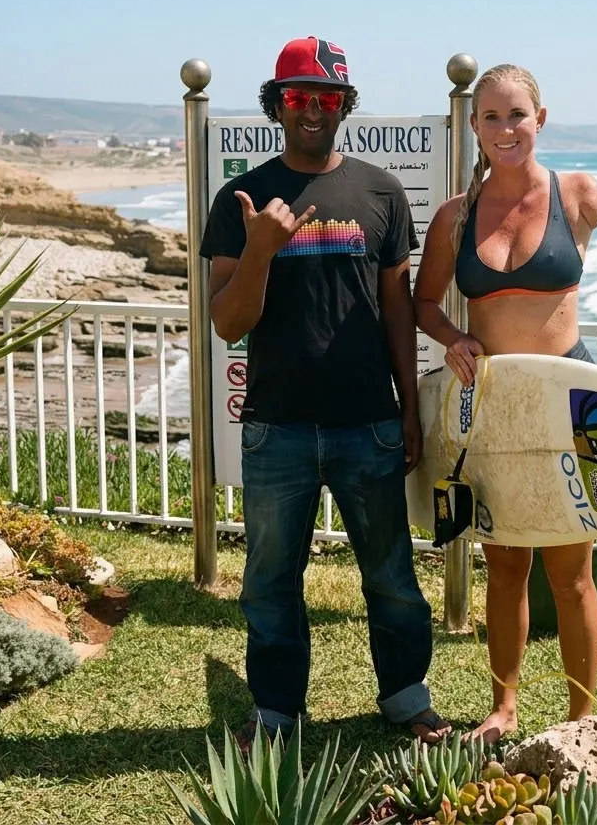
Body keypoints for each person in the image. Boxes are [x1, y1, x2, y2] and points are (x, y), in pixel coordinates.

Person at [199, 36, 451, 750]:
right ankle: (276, 713)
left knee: (392, 576)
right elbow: (228, 323)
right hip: (276, 427)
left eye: (328, 98)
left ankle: (406, 698)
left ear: (346, 105)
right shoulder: (241, 200)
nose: (314, 110)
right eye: (300, 97)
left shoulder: (381, 192)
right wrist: (258, 250)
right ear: (277, 106)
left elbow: (397, 308)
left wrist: (407, 404)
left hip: (365, 422)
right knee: (271, 583)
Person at [413, 63, 597, 742]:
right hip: (493, 404)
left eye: (517, 115)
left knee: (571, 570)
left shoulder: (580, 196)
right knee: (503, 564)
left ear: (541, 120)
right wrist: (455, 337)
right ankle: (504, 708)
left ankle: (582, 721)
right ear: (474, 128)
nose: (505, 129)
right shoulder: (455, 217)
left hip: (567, 397)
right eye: (491, 117)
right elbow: (424, 304)